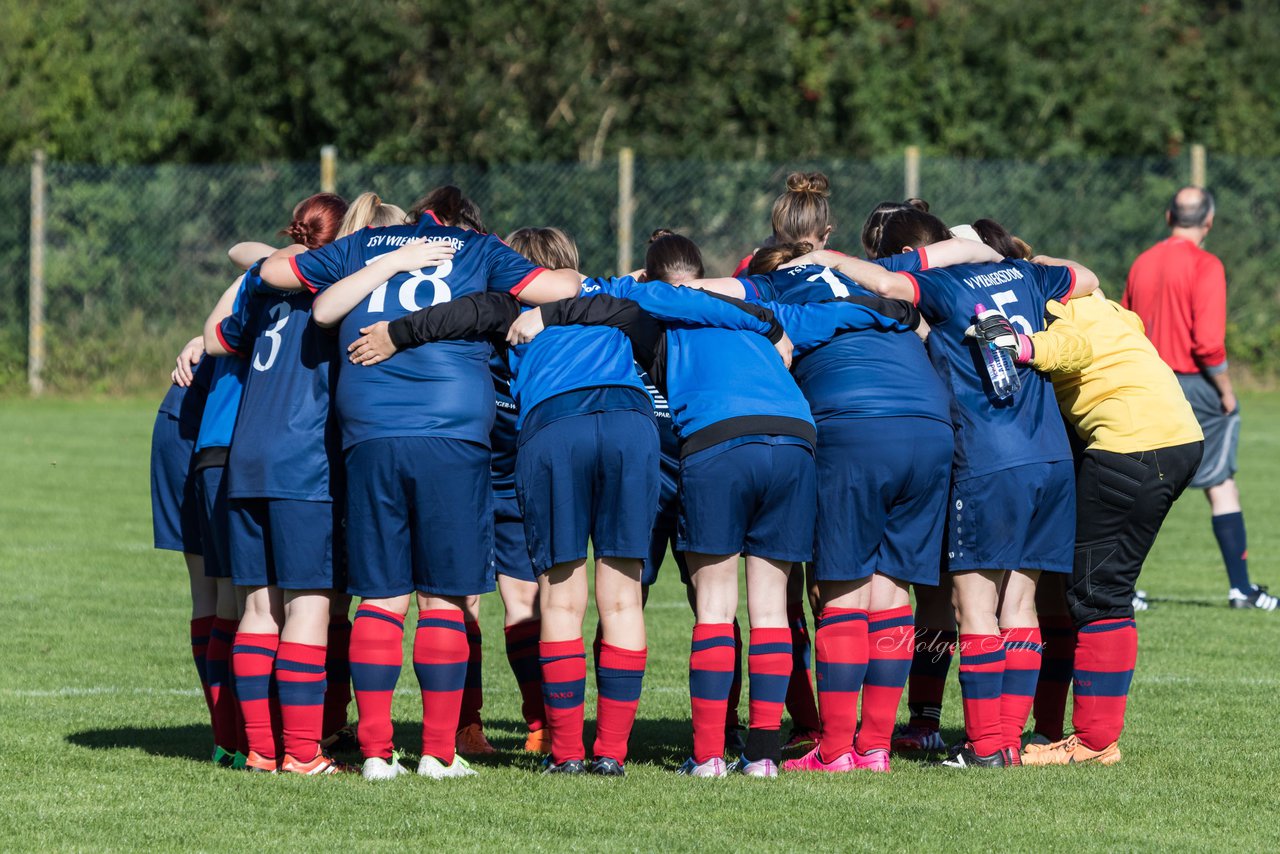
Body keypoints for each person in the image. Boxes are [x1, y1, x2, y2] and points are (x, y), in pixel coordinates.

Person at [257, 185, 581, 781]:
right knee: (446, 596)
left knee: (381, 596)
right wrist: (508, 306)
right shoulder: (477, 248)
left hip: (369, 431)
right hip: (452, 431)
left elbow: (274, 268)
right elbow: (563, 286)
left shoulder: (360, 245)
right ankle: (438, 751)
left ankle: (378, 754)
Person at [790, 207, 1099, 768]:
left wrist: (826, 257)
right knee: (1020, 603)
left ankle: (981, 745)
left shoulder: (932, 283)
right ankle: (1005, 740)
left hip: (987, 453)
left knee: (971, 606)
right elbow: (1087, 277)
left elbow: (886, 282)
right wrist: (1013, 261)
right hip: (1049, 455)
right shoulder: (1024, 273)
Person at [966, 219, 1204, 765]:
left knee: (1099, 594)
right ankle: (1052, 728)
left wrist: (1020, 343)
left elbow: (1069, 348)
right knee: (1076, 584)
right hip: (1178, 439)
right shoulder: (1085, 293)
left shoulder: (1040, 301)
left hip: (1130, 446)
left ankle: (1095, 741)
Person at [204, 192, 351, 775]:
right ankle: (303, 753)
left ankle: (261, 750)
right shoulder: (340, 293)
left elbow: (218, 337)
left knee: (258, 612)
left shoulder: (264, 288)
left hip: (246, 459)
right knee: (308, 609)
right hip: (303, 461)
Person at [1122, 187, 1275, 611]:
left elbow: (1126, 324)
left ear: (1168, 215)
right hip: (1191, 385)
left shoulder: (1142, 262)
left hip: (1145, 380)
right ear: (1208, 221)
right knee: (1221, 484)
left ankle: (1122, 589)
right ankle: (1241, 589)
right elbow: (1208, 344)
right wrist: (1227, 392)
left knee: (1136, 486)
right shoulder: (1206, 265)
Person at [150, 342, 217, 752]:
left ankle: (236, 735)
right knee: (230, 592)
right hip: (193, 420)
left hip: (197, 418)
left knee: (225, 592)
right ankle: (236, 735)